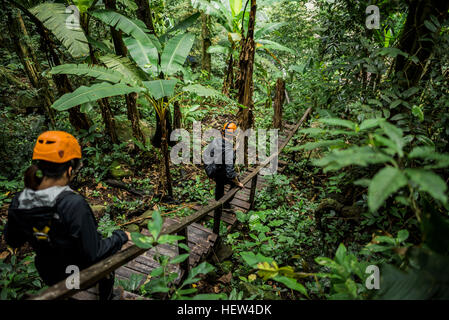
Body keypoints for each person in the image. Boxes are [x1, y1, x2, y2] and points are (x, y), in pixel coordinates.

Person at [4, 131, 131, 300]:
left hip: (48, 273)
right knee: (110, 255)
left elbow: (13, 240)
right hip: (78, 275)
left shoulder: (20, 200)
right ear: (69, 170)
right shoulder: (73, 205)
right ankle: (106, 297)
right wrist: (121, 236)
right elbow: (94, 254)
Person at [204, 121, 244, 204]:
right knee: (234, 182)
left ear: (222, 132)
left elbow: (207, 154)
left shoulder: (215, 141)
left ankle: (218, 202)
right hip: (218, 171)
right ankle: (225, 203)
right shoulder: (229, 150)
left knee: (220, 183)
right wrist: (238, 182)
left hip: (211, 169)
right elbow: (230, 172)